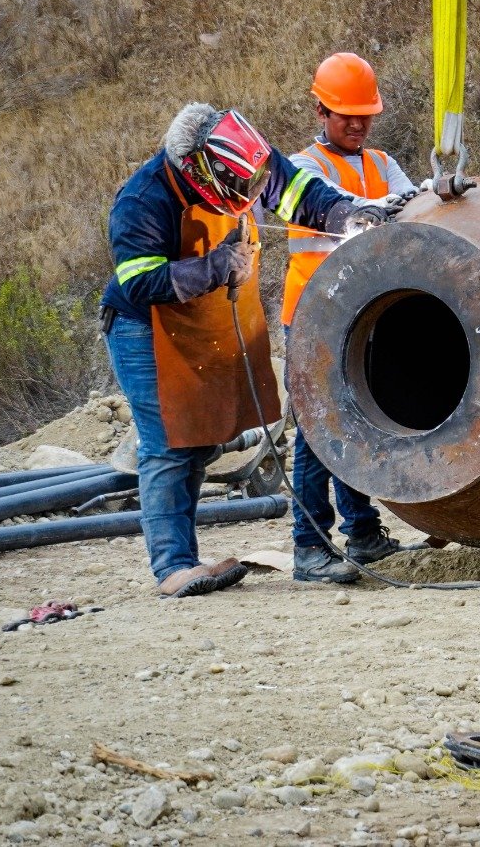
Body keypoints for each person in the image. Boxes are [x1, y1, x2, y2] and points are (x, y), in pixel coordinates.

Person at [101, 103, 387, 598]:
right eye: (242, 191)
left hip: (204, 319)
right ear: (198, 172)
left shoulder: (242, 156)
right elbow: (140, 279)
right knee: (169, 443)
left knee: (203, 437)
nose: (253, 195)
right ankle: (173, 568)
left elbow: (298, 191)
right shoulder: (142, 201)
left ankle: (184, 558)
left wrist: (346, 213)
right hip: (144, 328)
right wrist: (212, 268)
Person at [280, 53, 416, 583]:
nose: (357, 125)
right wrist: (396, 202)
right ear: (320, 111)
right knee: (317, 432)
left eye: (365, 116)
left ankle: (361, 534)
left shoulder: (381, 162)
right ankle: (309, 547)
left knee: (357, 421)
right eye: (346, 117)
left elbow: (410, 202)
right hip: (315, 315)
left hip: (366, 312)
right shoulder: (302, 170)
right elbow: (350, 205)